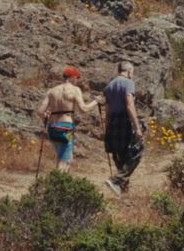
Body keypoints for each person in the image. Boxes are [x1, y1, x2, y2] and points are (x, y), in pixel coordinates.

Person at [38, 66, 102, 172]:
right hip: (66, 128)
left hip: (52, 128)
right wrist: (96, 102)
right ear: (72, 77)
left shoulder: (52, 91)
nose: (77, 80)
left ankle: (58, 184)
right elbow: (84, 109)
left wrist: (47, 116)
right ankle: (58, 186)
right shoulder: (75, 90)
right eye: (77, 78)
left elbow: (40, 112)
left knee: (62, 157)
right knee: (65, 161)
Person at [104, 61, 144, 195]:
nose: (133, 74)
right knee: (137, 150)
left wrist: (107, 127)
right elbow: (129, 105)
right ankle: (116, 180)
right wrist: (137, 127)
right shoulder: (128, 83)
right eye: (132, 71)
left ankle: (123, 190)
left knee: (120, 154)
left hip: (113, 122)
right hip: (125, 121)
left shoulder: (109, 86)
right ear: (128, 70)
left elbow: (107, 110)